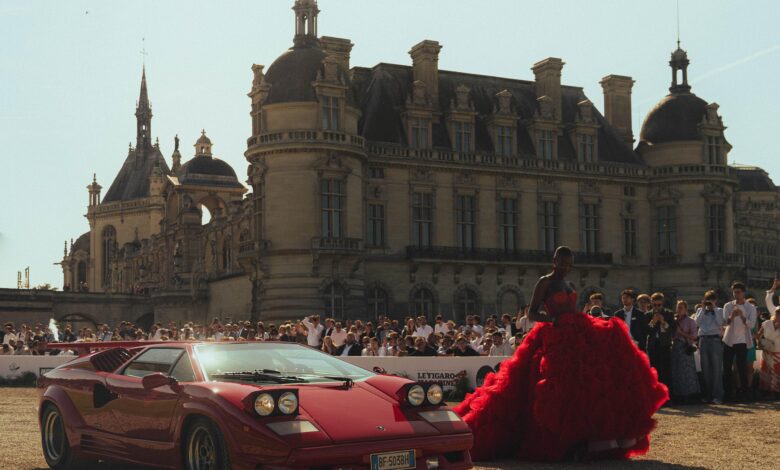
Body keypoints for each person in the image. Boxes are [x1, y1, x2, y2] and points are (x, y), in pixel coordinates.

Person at [454, 246, 667, 462]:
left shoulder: (569, 284)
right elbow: (533, 312)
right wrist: (552, 320)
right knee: (558, 387)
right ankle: (571, 439)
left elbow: (573, 310)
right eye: (563, 263)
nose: (566, 267)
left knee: (596, 375)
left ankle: (598, 436)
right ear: (554, 261)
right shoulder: (545, 282)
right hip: (556, 335)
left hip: (577, 330)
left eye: (569, 264)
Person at [722, 281, 758, 402]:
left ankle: (744, 393)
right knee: (727, 368)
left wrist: (742, 316)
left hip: (742, 341)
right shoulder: (728, 306)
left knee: (742, 368)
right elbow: (723, 323)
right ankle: (728, 394)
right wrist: (732, 316)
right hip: (729, 341)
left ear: (743, 293)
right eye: (734, 292)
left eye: (738, 292)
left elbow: (751, 324)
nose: (736, 294)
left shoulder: (750, 307)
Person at [694, 290, 725, 404]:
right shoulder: (699, 310)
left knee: (716, 369)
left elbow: (720, 323)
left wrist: (714, 309)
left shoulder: (720, 310)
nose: (709, 302)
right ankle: (707, 395)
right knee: (705, 369)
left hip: (715, 340)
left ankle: (718, 396)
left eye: (711, 299)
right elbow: (696, 323)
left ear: (715, 300)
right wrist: (703, 309)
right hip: (703, 340)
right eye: (707, 300)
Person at [670, 300, 700, 404]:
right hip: (675, 348)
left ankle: (689, 395)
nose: (679, 310)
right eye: (678, 307)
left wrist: (681, 333)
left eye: (681, 308)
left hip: (685, 348)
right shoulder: (674, 321)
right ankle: (678, 395)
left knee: (687, 372)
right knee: (676, 371)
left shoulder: (690, 321)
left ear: (686, 309)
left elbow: (694, 336)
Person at [646, 292, 676, 388]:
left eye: (658, 305)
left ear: (662, 303)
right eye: (654, 305)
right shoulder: (647, 315)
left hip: (665, 345)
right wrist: (652, 322)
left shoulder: (669, 313)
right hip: (653, 346)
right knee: (654, 371)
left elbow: (673, 329)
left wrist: (663, 322)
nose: (656, 307)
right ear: (651, 303)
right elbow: (645, 331)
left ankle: (668, 397)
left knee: (666, 371)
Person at [758, 280, 780, 397]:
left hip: (779, 350)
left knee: (777, 373)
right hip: (768, 349)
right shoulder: (775, 310)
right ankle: (765, 392)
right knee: (765, 372)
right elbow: (768, 300)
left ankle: (776, 392)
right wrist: (773, 288)